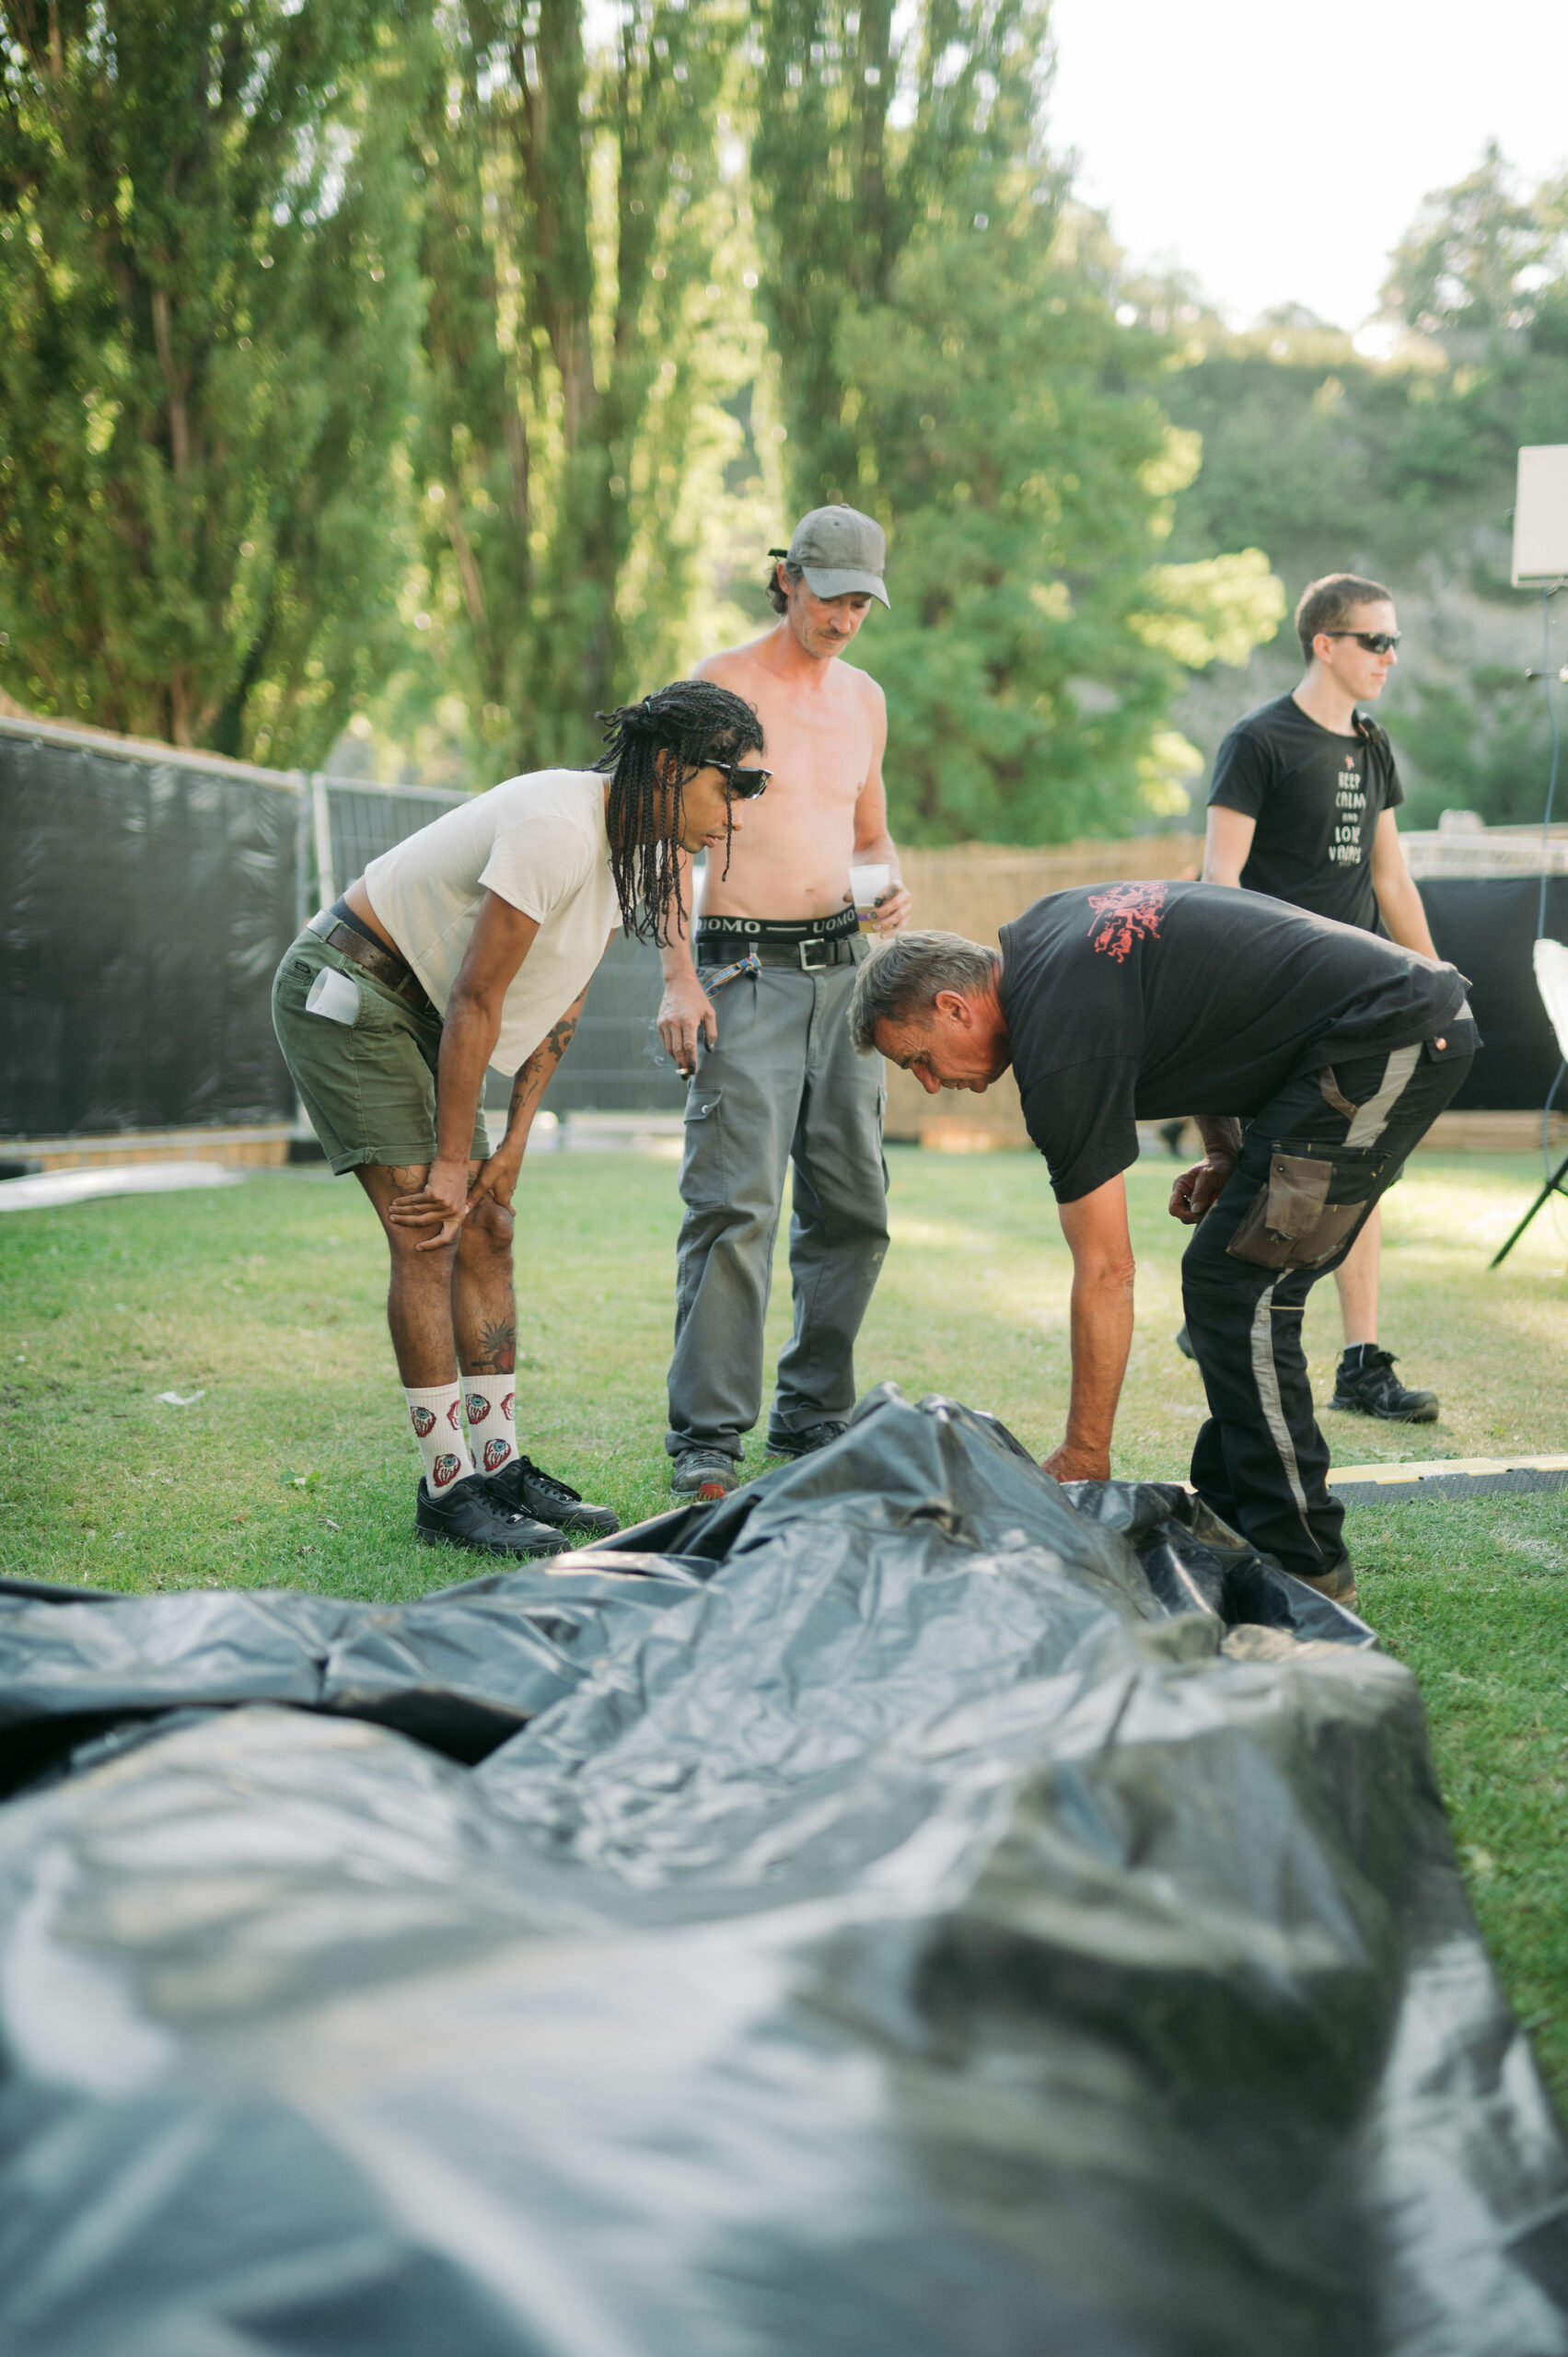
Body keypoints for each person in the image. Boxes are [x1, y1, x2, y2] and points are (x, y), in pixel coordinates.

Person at [850, 888, 1476, 1606]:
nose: (929, 1086)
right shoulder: (1043, 941)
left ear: (952, 1008)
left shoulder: (1058, 1047)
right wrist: (1221, 1149)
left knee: (1242, 1286)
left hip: (1390, 1032)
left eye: (918, 1061)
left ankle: (1305, 1562)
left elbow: (1107, 1271)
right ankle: (1232, 1515)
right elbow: (1200, 1013)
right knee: (1223, 1276)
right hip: (1363, 1029)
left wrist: (1086, 1451)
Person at [273, 680, 768, 1555]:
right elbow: (476, 997)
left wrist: (511, 1148)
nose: (736, 814)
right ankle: (447, 1487)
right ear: (667, 766)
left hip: (428, 1012)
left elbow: (560, 1005)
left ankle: (496, 1465)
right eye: (732, 784)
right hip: (355, 991)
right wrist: (454, 1162)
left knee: (489, 1227)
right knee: (430, 1227)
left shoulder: (641, 855)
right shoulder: (557, 823)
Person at [655, 505, 912, 1500]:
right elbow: (663, 846)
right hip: (739, 972)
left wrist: (889, 882)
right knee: (735, 1206)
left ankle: (813, 1417)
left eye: (861, 602)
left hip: (845, 976)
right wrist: (676, 977)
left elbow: (871, 835)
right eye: (831, 595)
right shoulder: (717, 687)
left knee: (855, 1205)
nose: (845, 618)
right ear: (787, 579)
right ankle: (708, 1439)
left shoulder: (866, 701)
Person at [1196, 572, 1445, 1424]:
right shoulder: (1256, 740)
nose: (1387, 657)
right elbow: (1218, 881)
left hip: (1364, 997)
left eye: (1393, 643)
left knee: (1360, 1172)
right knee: (1284, 1170)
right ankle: (1224, 1307)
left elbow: (1390, 876)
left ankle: (1360, 1364)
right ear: (1324, 644)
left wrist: (1440, 980)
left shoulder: (1372, 744)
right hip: (1278, 995)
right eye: (1373, 641)